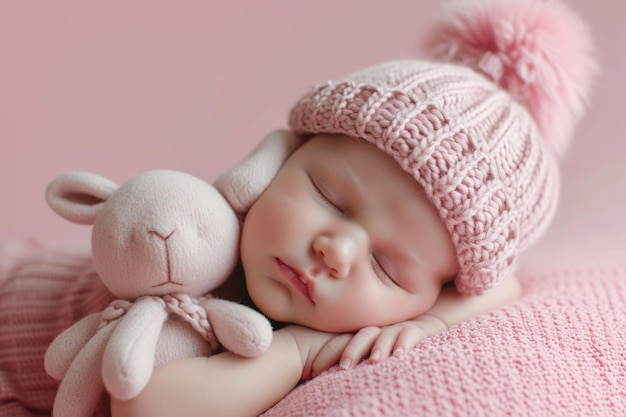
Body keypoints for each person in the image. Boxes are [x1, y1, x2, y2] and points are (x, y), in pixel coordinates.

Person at [110, 0, 596, 415]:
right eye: (330, 198)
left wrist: (429, 323)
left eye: (388, 269)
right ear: (283, 156)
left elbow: (498, 285)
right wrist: (297, 352)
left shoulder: (412, 306)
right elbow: (142, 403)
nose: (335, 252)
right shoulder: (197, 254)